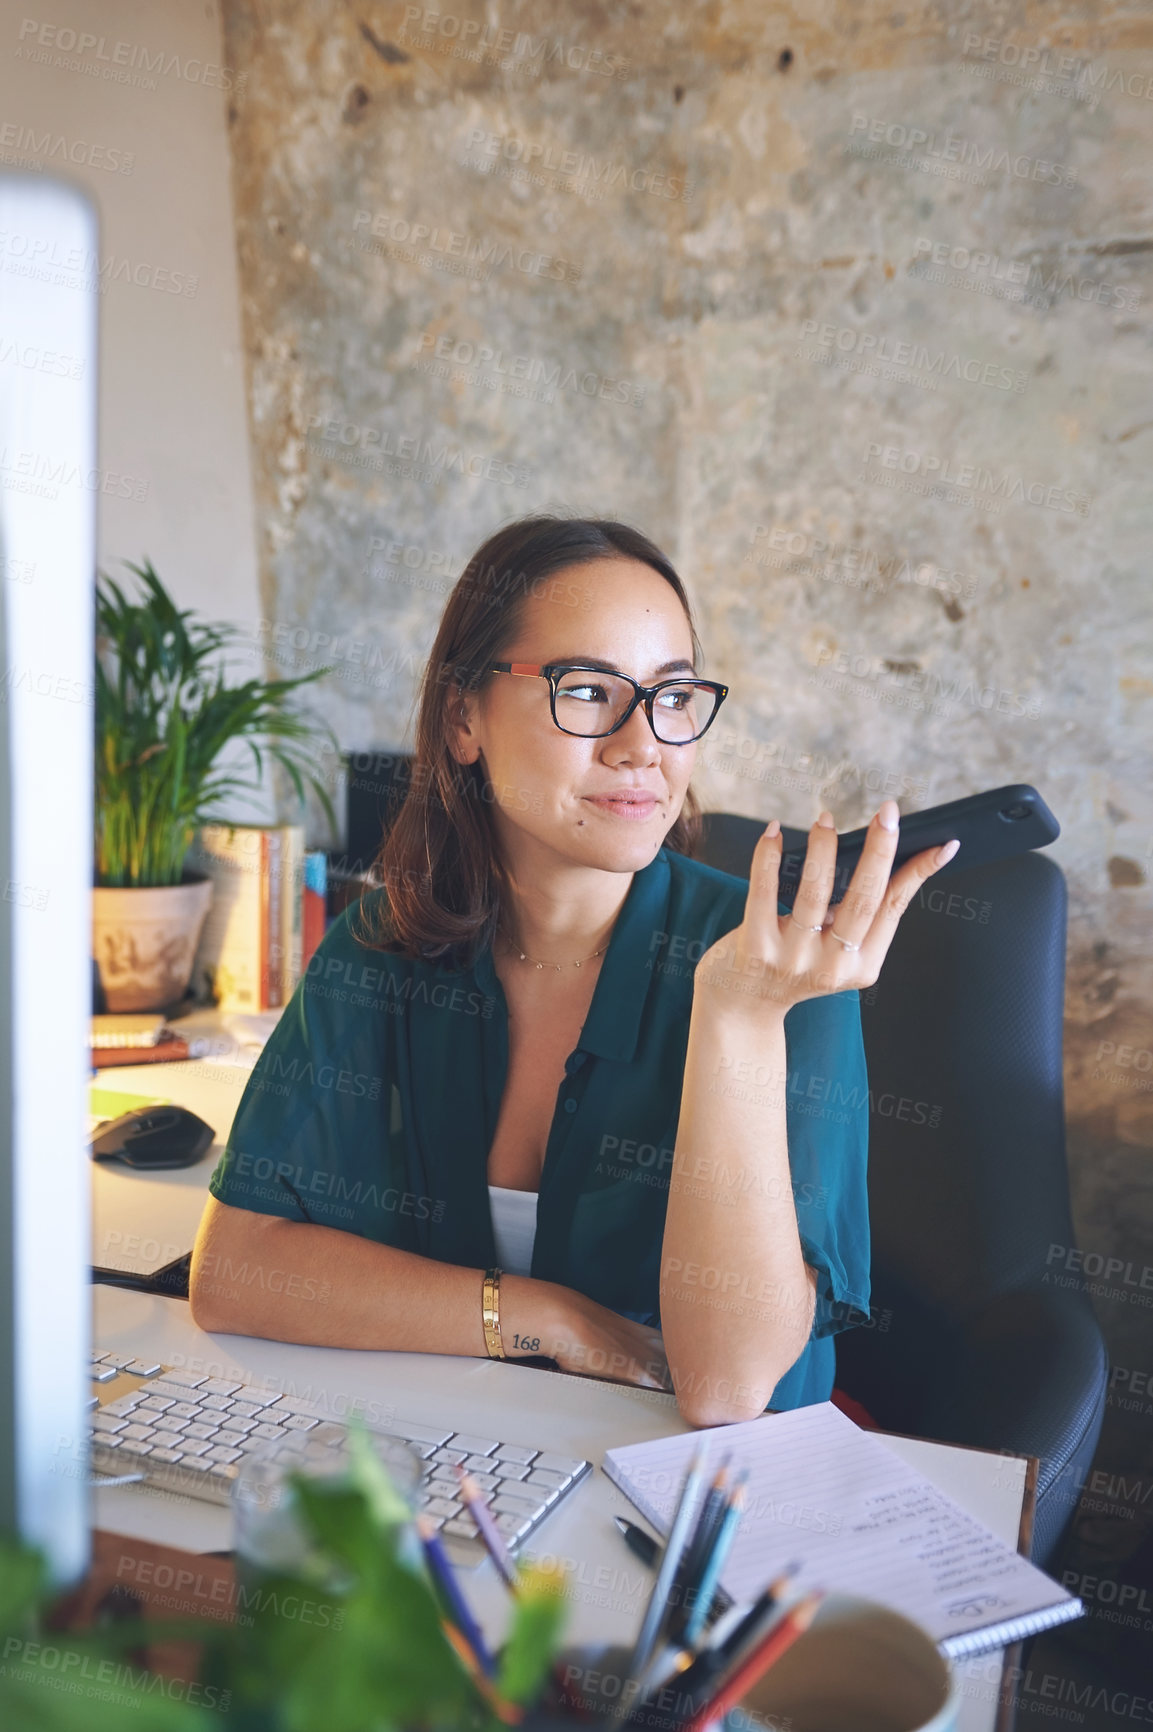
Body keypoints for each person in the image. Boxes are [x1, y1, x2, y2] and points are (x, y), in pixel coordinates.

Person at [190, 516, 958, 1426]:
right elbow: (235, 1275)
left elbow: (725, 1389)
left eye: (673, 698)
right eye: (588, 689)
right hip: (476, 1464)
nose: (642, 745)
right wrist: (542, 1317)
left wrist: (737, 1018)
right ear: (463, 718)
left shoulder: (775, 967)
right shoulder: (383, 946)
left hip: (706, 1504)